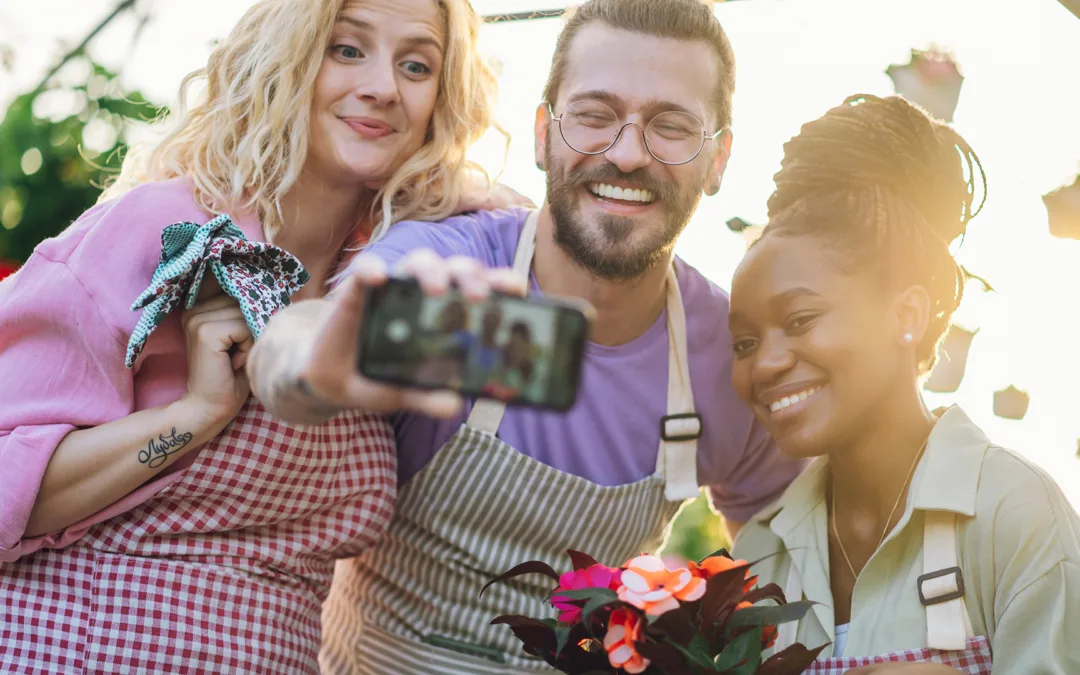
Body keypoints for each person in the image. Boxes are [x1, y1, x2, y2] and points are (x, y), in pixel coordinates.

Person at [247, 0, 806, 671]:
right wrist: (311, 368)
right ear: (544, 134)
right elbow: (298, 344)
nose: (627, 154)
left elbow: (793, 563)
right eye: (594, 116)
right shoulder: (456, 273)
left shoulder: (726, 354)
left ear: (717, 161)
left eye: (671, 127)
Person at [0, 0, 526, 672]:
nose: (383, 86)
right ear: (286, 59)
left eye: (416, 65)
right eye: (346, 49)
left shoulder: (384, 281)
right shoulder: (156, 231)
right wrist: (195, 415)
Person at [729, 94, 1080, 674]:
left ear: (906, 316)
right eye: (744, 342)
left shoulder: (1016, 517)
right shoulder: (761, 552)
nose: (764, 365)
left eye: (799, 321)